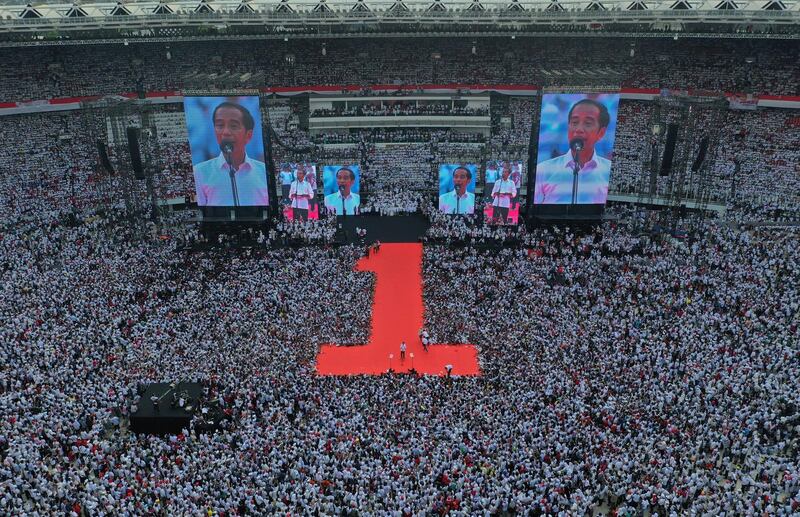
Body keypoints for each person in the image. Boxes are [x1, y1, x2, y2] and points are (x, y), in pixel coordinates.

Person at [534, 98, 613, 205]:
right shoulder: (543, 170)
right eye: (574, 122)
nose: (579, 129)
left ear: (601, 133)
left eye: (588, 123)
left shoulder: (608, 171)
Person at [193, 101, 268, 206]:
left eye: (233, 126)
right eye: (220, 125)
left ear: (249, 135)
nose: (226, 132)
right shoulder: (199, 172)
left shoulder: (264, 172)